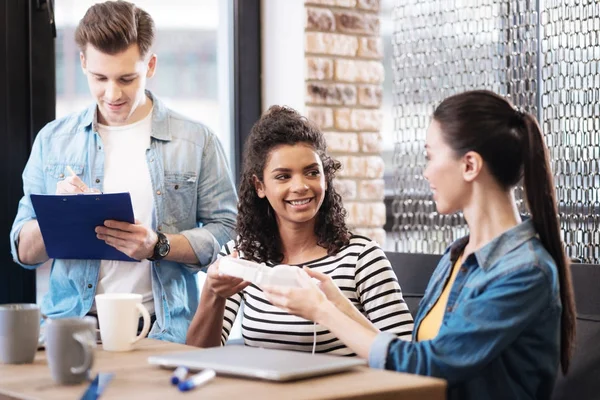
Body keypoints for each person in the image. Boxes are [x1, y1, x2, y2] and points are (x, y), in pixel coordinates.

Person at [262, 90, 576, 399]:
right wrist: (334, 303)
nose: (426, 172)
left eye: (430, 156)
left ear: (469, 165)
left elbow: (429, 366)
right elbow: (410, 356)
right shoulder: (458, 255)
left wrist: (321, 313)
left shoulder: (524, 272)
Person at [9, 1, 237, 343]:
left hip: (163, 333)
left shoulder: (196, 140)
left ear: (151, 65)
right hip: (69, 333)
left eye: (127, 78)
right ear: (83, 62)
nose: (112, 93)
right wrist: (58, 213)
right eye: (99, 78)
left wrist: (159, 245)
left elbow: (230, 235)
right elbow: (24, 253)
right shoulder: (53, 141)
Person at [186, 106, 413, 354]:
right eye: (283, 176)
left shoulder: (361, 258)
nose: (301, 186)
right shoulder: (242, 257)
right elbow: (200, 354)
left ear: (325, 177)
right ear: (259, 185)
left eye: (312, 172)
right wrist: (212, 293)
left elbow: (405, 357)